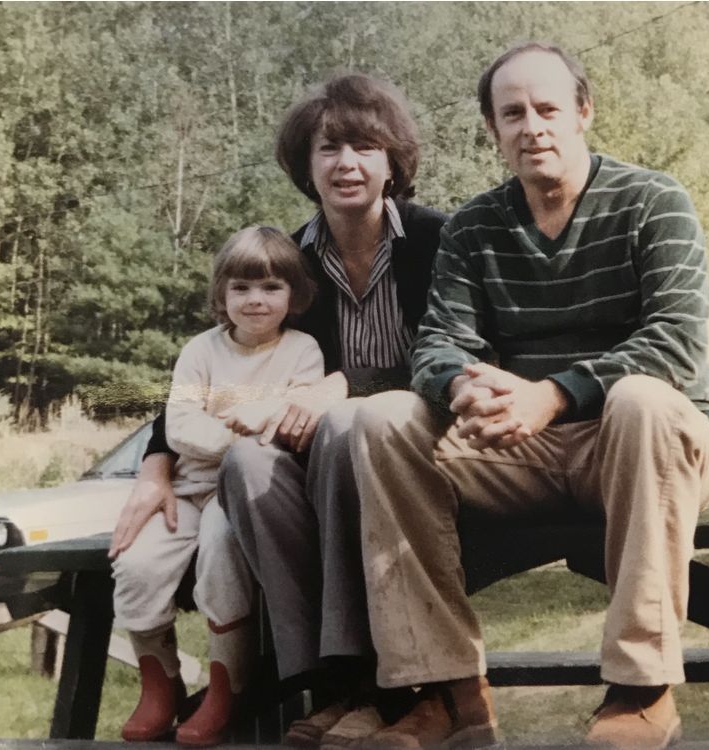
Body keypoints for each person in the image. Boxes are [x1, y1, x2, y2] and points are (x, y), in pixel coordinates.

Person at [349, 43, 709, 750]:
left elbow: (676, 342)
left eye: (548, 108)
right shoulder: (474, 228)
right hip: (520, 449)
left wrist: (551, 395)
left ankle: (642, 689)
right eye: (512, 113)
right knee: (382, 419)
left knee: (641, 400)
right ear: (494, 130)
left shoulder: (654, 201)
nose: (533, 127)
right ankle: (445, 692)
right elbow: (435, 344)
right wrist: (463, 385)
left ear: (583, 112)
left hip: (648, 447)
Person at [110, 74, 447, 748]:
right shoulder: (290, 264)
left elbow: (461, 348)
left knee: (354, 433)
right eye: (328, 149)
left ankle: (395, 690)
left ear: (392, 162)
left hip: (417, 440)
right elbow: (219, 366)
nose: (346, 163)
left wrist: (343, 392)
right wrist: (155, 465)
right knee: (251, 467)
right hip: (319, 456)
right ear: (305, 166)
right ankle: (330, 684)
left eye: (364, 146)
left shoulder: (438, 241)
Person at [111, 226, 322, 747]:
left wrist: (243, 430)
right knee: (138, 562)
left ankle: (224, 687)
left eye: (272, 287)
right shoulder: (200, 352)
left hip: (245, 493)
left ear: (293, 295)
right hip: (187, 486)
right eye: (241, 288)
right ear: (221, 294)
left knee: (221, 557)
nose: (255, 300)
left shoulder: (302, 351)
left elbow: (289, 428)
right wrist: (241, 430)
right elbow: (179, 425)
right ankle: (158, 687)